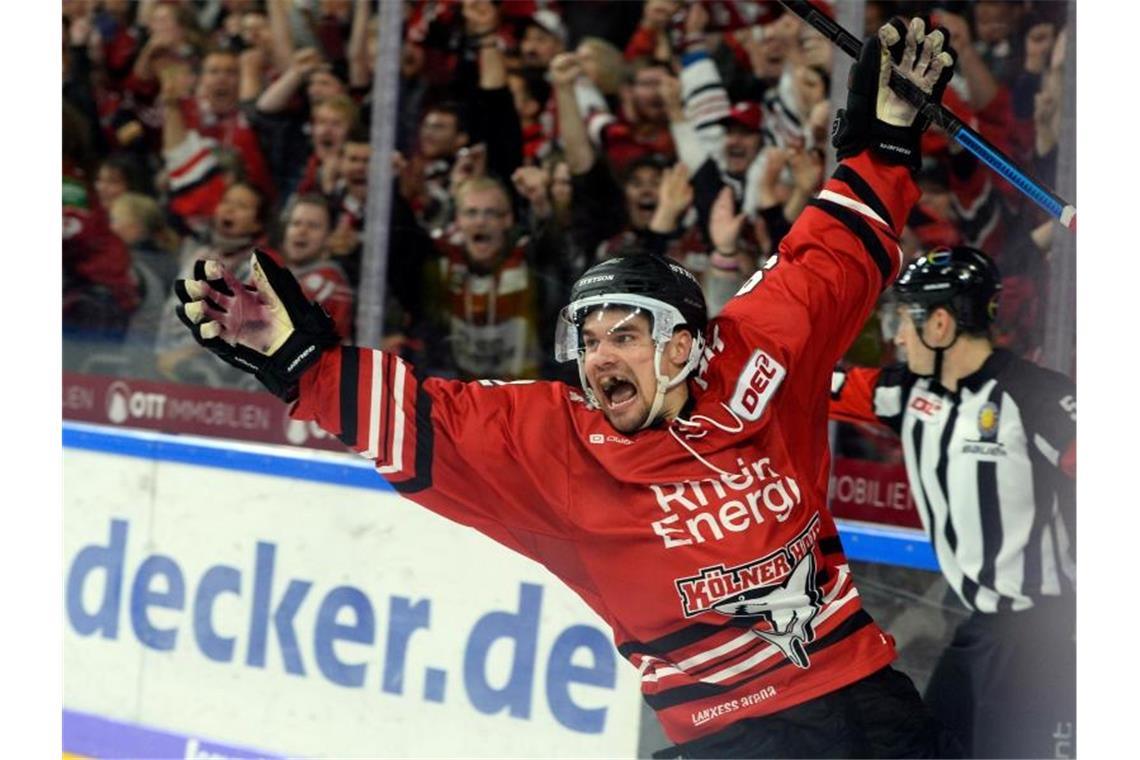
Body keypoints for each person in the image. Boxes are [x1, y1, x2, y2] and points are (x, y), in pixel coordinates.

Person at [174, 17, 959, 757]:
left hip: (868, 703)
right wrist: (303, 362)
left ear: (685, 345)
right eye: (587, 340)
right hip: (731, 739)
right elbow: (426, 419)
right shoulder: (556, 441)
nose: (599, 359)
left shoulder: (756, 357)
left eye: (624, 335)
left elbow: (824, 262)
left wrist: (885, 145)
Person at [829, 246, 1076, 758]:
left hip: (1043, 637)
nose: (895, 336)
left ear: (939, 323)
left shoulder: (1037, 398)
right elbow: (810, 387)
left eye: (904, 319)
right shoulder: (908, 393)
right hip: (980, 630)